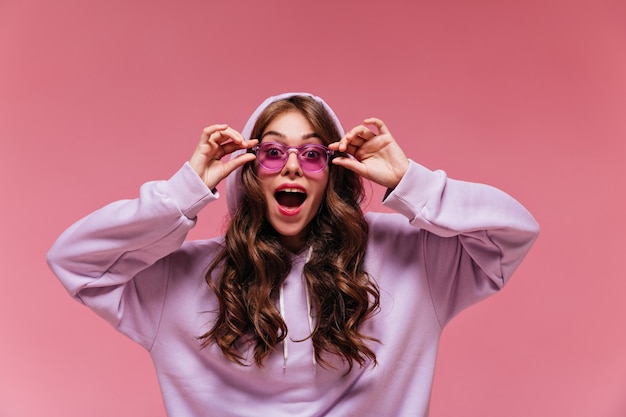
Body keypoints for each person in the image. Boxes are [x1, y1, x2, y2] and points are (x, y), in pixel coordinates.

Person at [47, 92, 539, 417]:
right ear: (248, 168)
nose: (292, 169)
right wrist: (182, 193)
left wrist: (414, 182)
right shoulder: (184, 278)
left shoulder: (411, 262)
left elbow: (513, 231)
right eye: (272, 152)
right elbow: (74, 260)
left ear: (333, 170)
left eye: (312, 154)